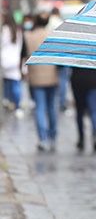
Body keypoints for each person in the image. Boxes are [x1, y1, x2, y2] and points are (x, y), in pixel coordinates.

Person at [22, 14, 59, 152]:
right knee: (51, 108)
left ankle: (42, 139)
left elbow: (24, 55)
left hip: (36, 78)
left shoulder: (28, 36)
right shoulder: (52, 35)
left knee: (40, 108)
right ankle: (53, 137)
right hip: (52, 77)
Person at [70, 68, 96, 152]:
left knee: (80, 112)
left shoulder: (76, 54)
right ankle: (95, 136)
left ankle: (81, 139)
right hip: (93, 81)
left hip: (78, 82)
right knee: (94, 111)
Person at [1, 13, 24, 117]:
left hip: (5, 59)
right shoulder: (18, 30)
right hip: (15, 59)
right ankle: (17, 105)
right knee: (15, 82)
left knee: (6, 81)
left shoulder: (5, 29)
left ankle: (7, 100)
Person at [47, 8, 69, 112]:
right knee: (63, 80)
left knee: (51, 80)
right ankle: (62, 102)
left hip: (50, 56)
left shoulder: (47, 24)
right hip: (62, 56)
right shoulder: (61, 23)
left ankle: (52, 101)